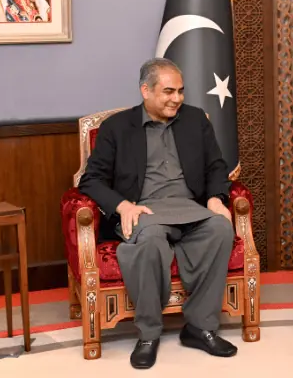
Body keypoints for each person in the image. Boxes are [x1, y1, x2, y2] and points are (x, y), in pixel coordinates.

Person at [78, 58, 238, 369]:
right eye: (168, 91)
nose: (177, 98)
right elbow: (91, 180)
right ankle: (148, 334)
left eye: (180, 91)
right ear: (145, 91)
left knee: (220, 228)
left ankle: (200, 327)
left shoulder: (195, 120)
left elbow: (216, 167)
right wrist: (123, 205)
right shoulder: (116, 128)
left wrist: (217, 199)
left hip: (189, 207)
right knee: (150, 240)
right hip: (143, 210)